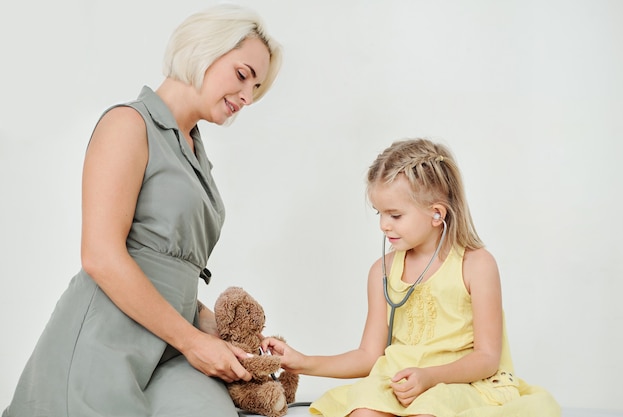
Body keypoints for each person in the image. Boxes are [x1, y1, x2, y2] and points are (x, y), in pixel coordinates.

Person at [3, 4, 282, 417]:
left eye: (256, 88)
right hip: (106, 344)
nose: (247, 96)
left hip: (168, 346)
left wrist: (228, 334)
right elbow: (100, 255)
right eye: (243, 75)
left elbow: (173, 272)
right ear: (203, 50)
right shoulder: (127, 125)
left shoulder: (195, 152)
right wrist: (193, 342)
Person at [262, 139, 561, 416]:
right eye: (378, 213)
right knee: (363, 409)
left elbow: (486, 357)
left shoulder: (476, 265)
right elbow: (368, 355)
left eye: (394, 215)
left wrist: (430, 377)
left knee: (428, 410)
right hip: (401, 379)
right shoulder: (382, 270)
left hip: (464, 382)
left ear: (436, 214)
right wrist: (302, 362)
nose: (382, 225)